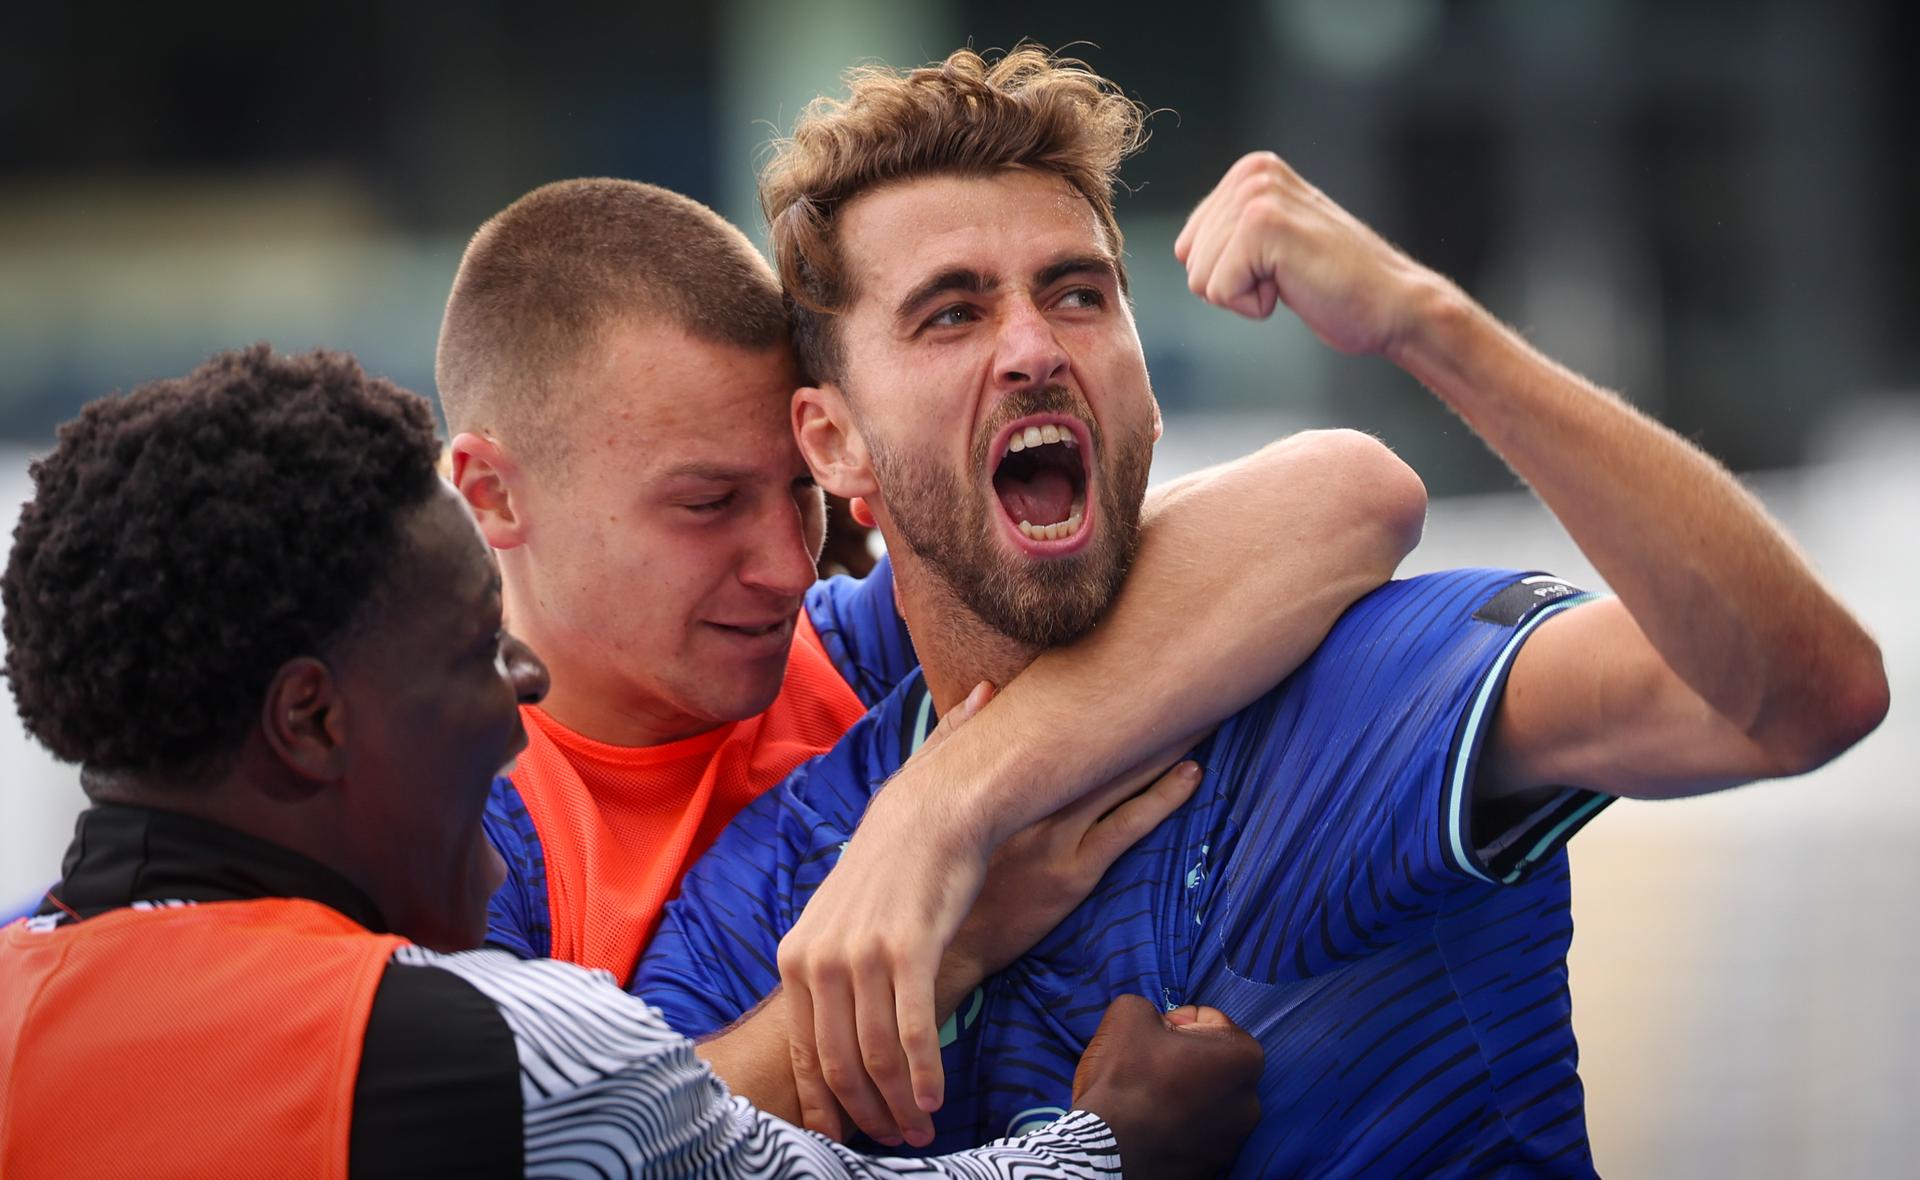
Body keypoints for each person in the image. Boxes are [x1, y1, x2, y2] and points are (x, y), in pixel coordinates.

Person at [632, 47, 1891, 1177]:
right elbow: (627, 1154)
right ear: (833, 439)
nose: (1032, 349)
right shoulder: (786, 873)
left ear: (1143, 380)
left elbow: (1801, 702)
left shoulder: (1350, 691)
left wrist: (1429, 322)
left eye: (1078, 294)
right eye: (952, 313)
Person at [0, 344, 1266, 1179]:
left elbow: (1325, 503)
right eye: (472, 655)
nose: (527, 683)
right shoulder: (485, 1047)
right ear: (311, 722)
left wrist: (938, 808)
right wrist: (1119, 1141)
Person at [437, 181, 1425, 1015]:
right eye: (707, 504)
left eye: (802, 490)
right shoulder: (443, 836)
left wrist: (939, 810)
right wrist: (956, 945)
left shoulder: (857, 650)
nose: (789, 566)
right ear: (492, 494)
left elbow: (1343, 500)